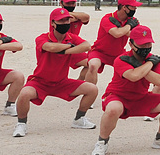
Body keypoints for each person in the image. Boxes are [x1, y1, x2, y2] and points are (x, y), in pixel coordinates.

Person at [90, 25, 160, 155]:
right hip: (117, 96)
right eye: (142, 44)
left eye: (148, 43)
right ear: (131, 44)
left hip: (141, 97)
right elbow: (133, 77)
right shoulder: (121, 59)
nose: (145, 47)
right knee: (113, 109)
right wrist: (148, 64)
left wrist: (140, 65)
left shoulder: (155, 60)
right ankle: (102, 142)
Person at [12, 8, 100, 137]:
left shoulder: (72, 37)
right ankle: (21, 124)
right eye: (61, 20)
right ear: (53, 23)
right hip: (40, 81)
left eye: (67, 20)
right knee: (24, 94)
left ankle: (79, 119)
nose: (65, 23)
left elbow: (87, 46)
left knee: (92, 89)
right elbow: (50, 47)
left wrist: (64, 50)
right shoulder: (42, 37)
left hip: (61, 82)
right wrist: (72, 47)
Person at [88, 0, 142, 82]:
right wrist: (129, 26)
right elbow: (117, 34)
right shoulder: (108, 18)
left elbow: (136, 36)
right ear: (124, 7)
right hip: (99, 51)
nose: (135, 9)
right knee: (93, 65)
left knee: (133, 70)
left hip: (118, 53)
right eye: (133, 7)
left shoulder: (133, 20)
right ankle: (89, 90)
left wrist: (123, 30)